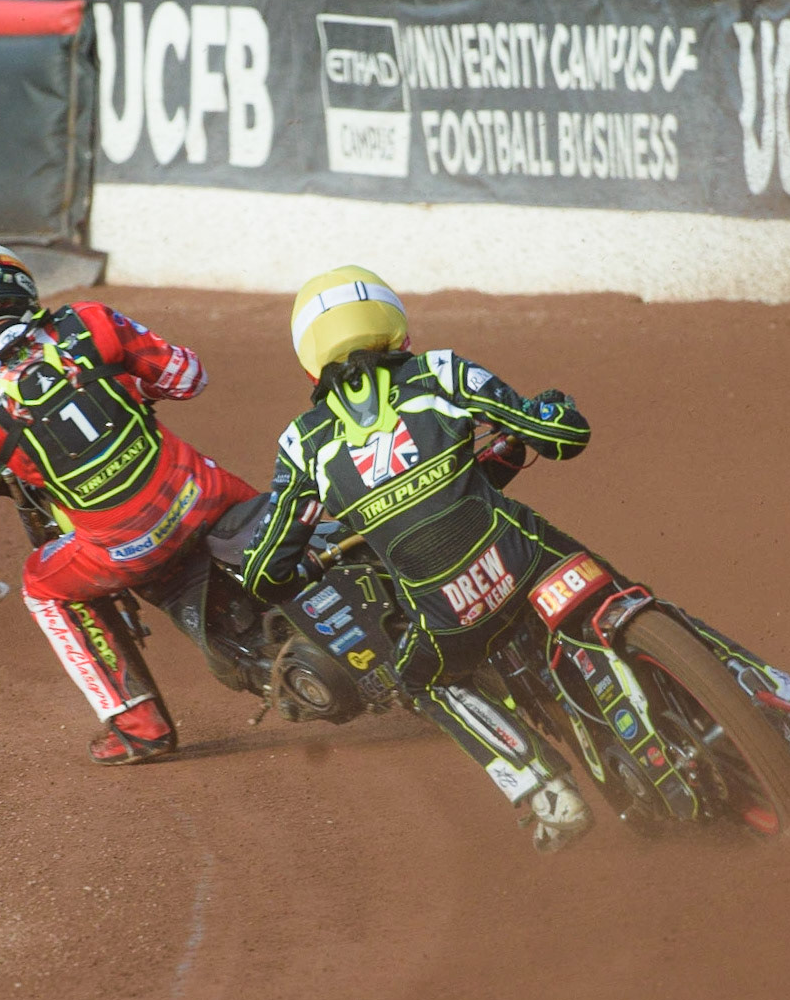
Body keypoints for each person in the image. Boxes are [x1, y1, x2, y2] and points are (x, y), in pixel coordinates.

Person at [238, 265, 602, 851]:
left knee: (421, 680)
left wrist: (299, 567)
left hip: (449, 614)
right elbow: (561, 438)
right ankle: (784, 708)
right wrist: (556, 408)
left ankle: (544, 790)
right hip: (527, 559)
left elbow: (263, 571)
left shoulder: (303, 440)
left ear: (310, 358)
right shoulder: (442, 370)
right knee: (612, 589)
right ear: (396, 328)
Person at [0, 242, 257, 765]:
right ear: (22, 287)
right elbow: (188, 378)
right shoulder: (90, 321)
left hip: (124, 551)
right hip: (204, 495)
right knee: (277, 506)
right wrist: (126, 382)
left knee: (43, 584)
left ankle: (138, 726)